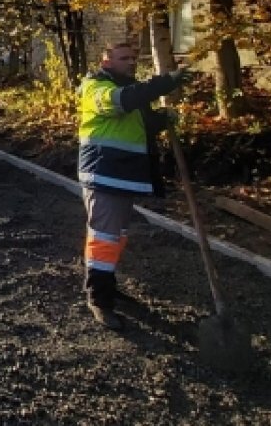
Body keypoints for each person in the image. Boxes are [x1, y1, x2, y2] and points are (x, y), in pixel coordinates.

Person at [77, 42, 192, 330]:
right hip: (103, 173)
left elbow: (137, 123)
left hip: (122, 174)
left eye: (133, 57)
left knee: (115, 237)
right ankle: (99, 299)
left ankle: (107, 286)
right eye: (123, 58)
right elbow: (121, 102)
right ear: (106, 62)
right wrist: (165, 83)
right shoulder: (96, 87)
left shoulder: (129, 89)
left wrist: (161, 120)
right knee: (104, 238)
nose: (131, 62)